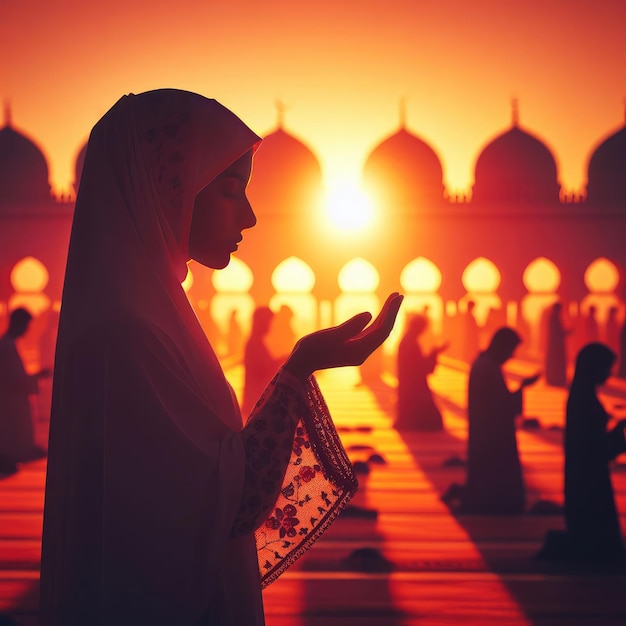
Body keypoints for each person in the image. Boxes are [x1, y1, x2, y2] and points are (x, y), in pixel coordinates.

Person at [38, 89, 402, 626]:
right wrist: (299, 369)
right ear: (169, 188)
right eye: (231, 191)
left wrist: (299, 367)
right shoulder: (132, 334)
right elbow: (231, 502)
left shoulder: (151, 316)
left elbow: (206, 484)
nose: (251, 217)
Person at [538, 343, 626, 564]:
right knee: (598, 542)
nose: (609, 373)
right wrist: (617, 433)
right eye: (605, 368)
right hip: (587, 476)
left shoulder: (583, 394)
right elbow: (593, 445)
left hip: (586, 474)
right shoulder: (584, 399)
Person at [460, 327, 539, 514]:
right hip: (491, 435)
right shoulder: (487, 367)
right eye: (510, 350)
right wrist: (521, 389)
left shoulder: (486, 364)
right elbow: (498, 404)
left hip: (486, 432)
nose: (511, 356)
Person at [0, 307, 50, 475]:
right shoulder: (6, 347)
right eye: (26, 324)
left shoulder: (8, 345)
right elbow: (14, 379)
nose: (27, 329)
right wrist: (37, 377)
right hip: (10, 405)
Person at [395, 314, 448, 431]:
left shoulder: (408, 340)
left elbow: (418, 364)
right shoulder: (410, 343)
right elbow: (418, 366)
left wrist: (433, 353)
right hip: (414, 386)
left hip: (412, 385)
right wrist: (434, 354)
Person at [241, 306, 283, 416]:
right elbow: (261, 372)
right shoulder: (254, 345)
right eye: (268, 322)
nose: (270, 326)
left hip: (257, 404)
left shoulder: (257, 343)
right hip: (256, 405)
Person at [545, 302, 571, 387]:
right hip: (556, 346)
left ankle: (555, 378)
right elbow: (558, 333)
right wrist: (567, 332)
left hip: (556, 345)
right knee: (556, 361)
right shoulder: (554, 318)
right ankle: (556, 379)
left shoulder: (554, 318)